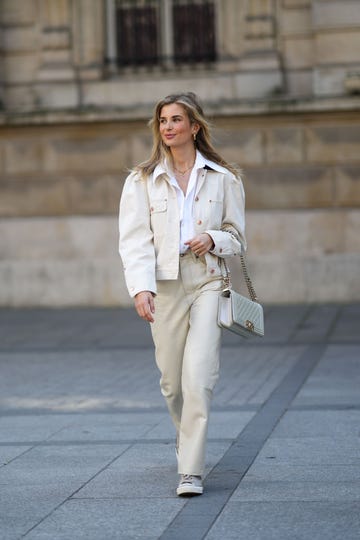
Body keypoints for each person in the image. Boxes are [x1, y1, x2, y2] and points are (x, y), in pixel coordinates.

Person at [118, 92, 246, 496]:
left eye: (176, 120)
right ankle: (183, 436)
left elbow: (238, 237)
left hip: (209, 279)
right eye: (162, 121)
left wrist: (213, 238)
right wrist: (141, 288)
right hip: (166, 284)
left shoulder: (224, 178)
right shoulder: (141, 180)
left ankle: (190, 469)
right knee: (172, 383)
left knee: (199, 377)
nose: (168, 127)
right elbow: (134, 240)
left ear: (194, 127)